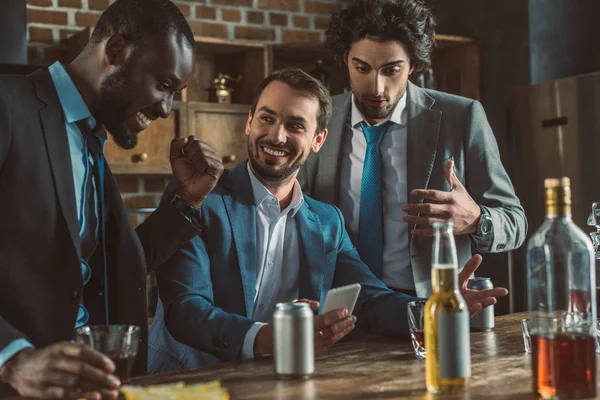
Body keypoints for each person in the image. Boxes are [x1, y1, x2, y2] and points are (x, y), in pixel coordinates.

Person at [146, 68, 508, 373]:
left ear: (318, 140)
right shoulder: (196, 198)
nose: (277, 135)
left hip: (275, 381)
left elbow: (369, 300)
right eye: (267, 119)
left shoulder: (327, 221)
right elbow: (185, 309)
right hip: (187, 379)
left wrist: (434, 308)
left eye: (295, 125)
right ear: (249, 123)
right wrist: (272, 337)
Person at [0, 0, 223, 398]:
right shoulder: (7, 107)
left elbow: (114, 270)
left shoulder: (90, 139)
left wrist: (186, 201)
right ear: (117, 51)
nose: (166, 108)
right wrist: (14, 359)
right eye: (163, 84)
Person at [297, 0, 527, 298]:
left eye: (391, 70)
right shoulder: (317, 118)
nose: (377, 88)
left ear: (413, 66)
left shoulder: (462, 117)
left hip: (428, 306)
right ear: (345, 59)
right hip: (339, 307)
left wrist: (477, 220)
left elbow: (515, 222)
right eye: (362, 68)